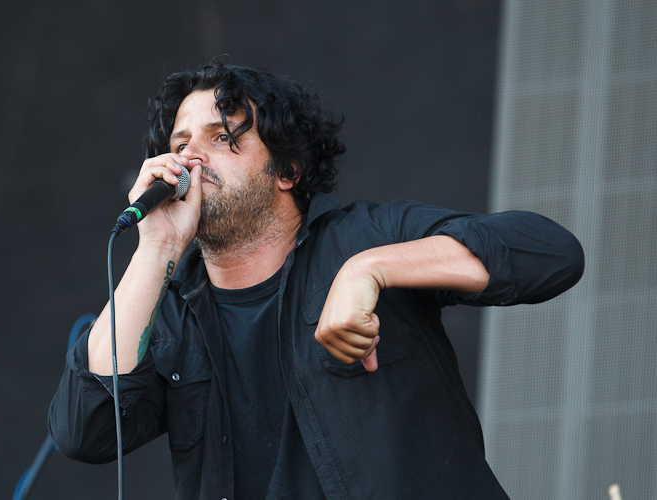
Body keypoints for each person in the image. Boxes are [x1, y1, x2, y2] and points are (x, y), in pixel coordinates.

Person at [48, 61, 585, 499]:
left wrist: (369, 270)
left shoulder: (367, 238)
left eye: (222, 136)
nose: (191, 158)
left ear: (288, 170)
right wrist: (157, 247)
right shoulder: (169, 311)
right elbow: (83, 430)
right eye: (181, 143)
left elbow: (551, 252)